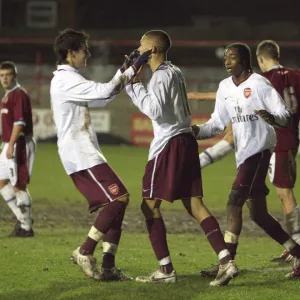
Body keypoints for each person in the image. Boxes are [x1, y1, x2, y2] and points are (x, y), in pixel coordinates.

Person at [125, 29, 239, 286]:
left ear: (152, 50)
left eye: (141, 45)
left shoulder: (160, 77)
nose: (138, 49)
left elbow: (154, 110)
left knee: (149, 206)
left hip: (168, 145)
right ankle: (226, 261)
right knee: (194, 204)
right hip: (185, 141)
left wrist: (133, 86)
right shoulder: (173, 71)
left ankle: (166, 270)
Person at [192, 42, 300, 279]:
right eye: (226, 57)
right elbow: (217, 124)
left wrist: (272, 118)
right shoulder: (224, 88)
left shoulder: (260, 84)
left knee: (234, 201)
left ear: (244, 60)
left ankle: (226, 262)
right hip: (243, 155)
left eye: (231, 57)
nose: (226, 61)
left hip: (260, 151)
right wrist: (196, 131)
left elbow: (285, 116)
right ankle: (298, 253)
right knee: (258, 214)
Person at [50, 28, 150, 281]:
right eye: (85, 50)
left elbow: (103, 97)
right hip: (79, 151)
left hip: (84, 150)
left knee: (116, 204)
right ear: (71, 54)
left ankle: (107, 267)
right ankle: (85, 251)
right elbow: (105, 92)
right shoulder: (65, 80)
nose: (88, 55)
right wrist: (130, 70)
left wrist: (123, 70)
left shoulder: (70, 78)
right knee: (119, 200)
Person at [0, 61, 35, 237]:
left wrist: (11, 145)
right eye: (1, 75)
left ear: (14, 76)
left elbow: (19, 123)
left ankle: (26, 228)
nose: (4, 78)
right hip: (8, 144)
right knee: (1, 181)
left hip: (19, 145)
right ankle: (22, 217)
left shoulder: (18, 95)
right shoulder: (7, 96)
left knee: (18, 186)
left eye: (8, 75)